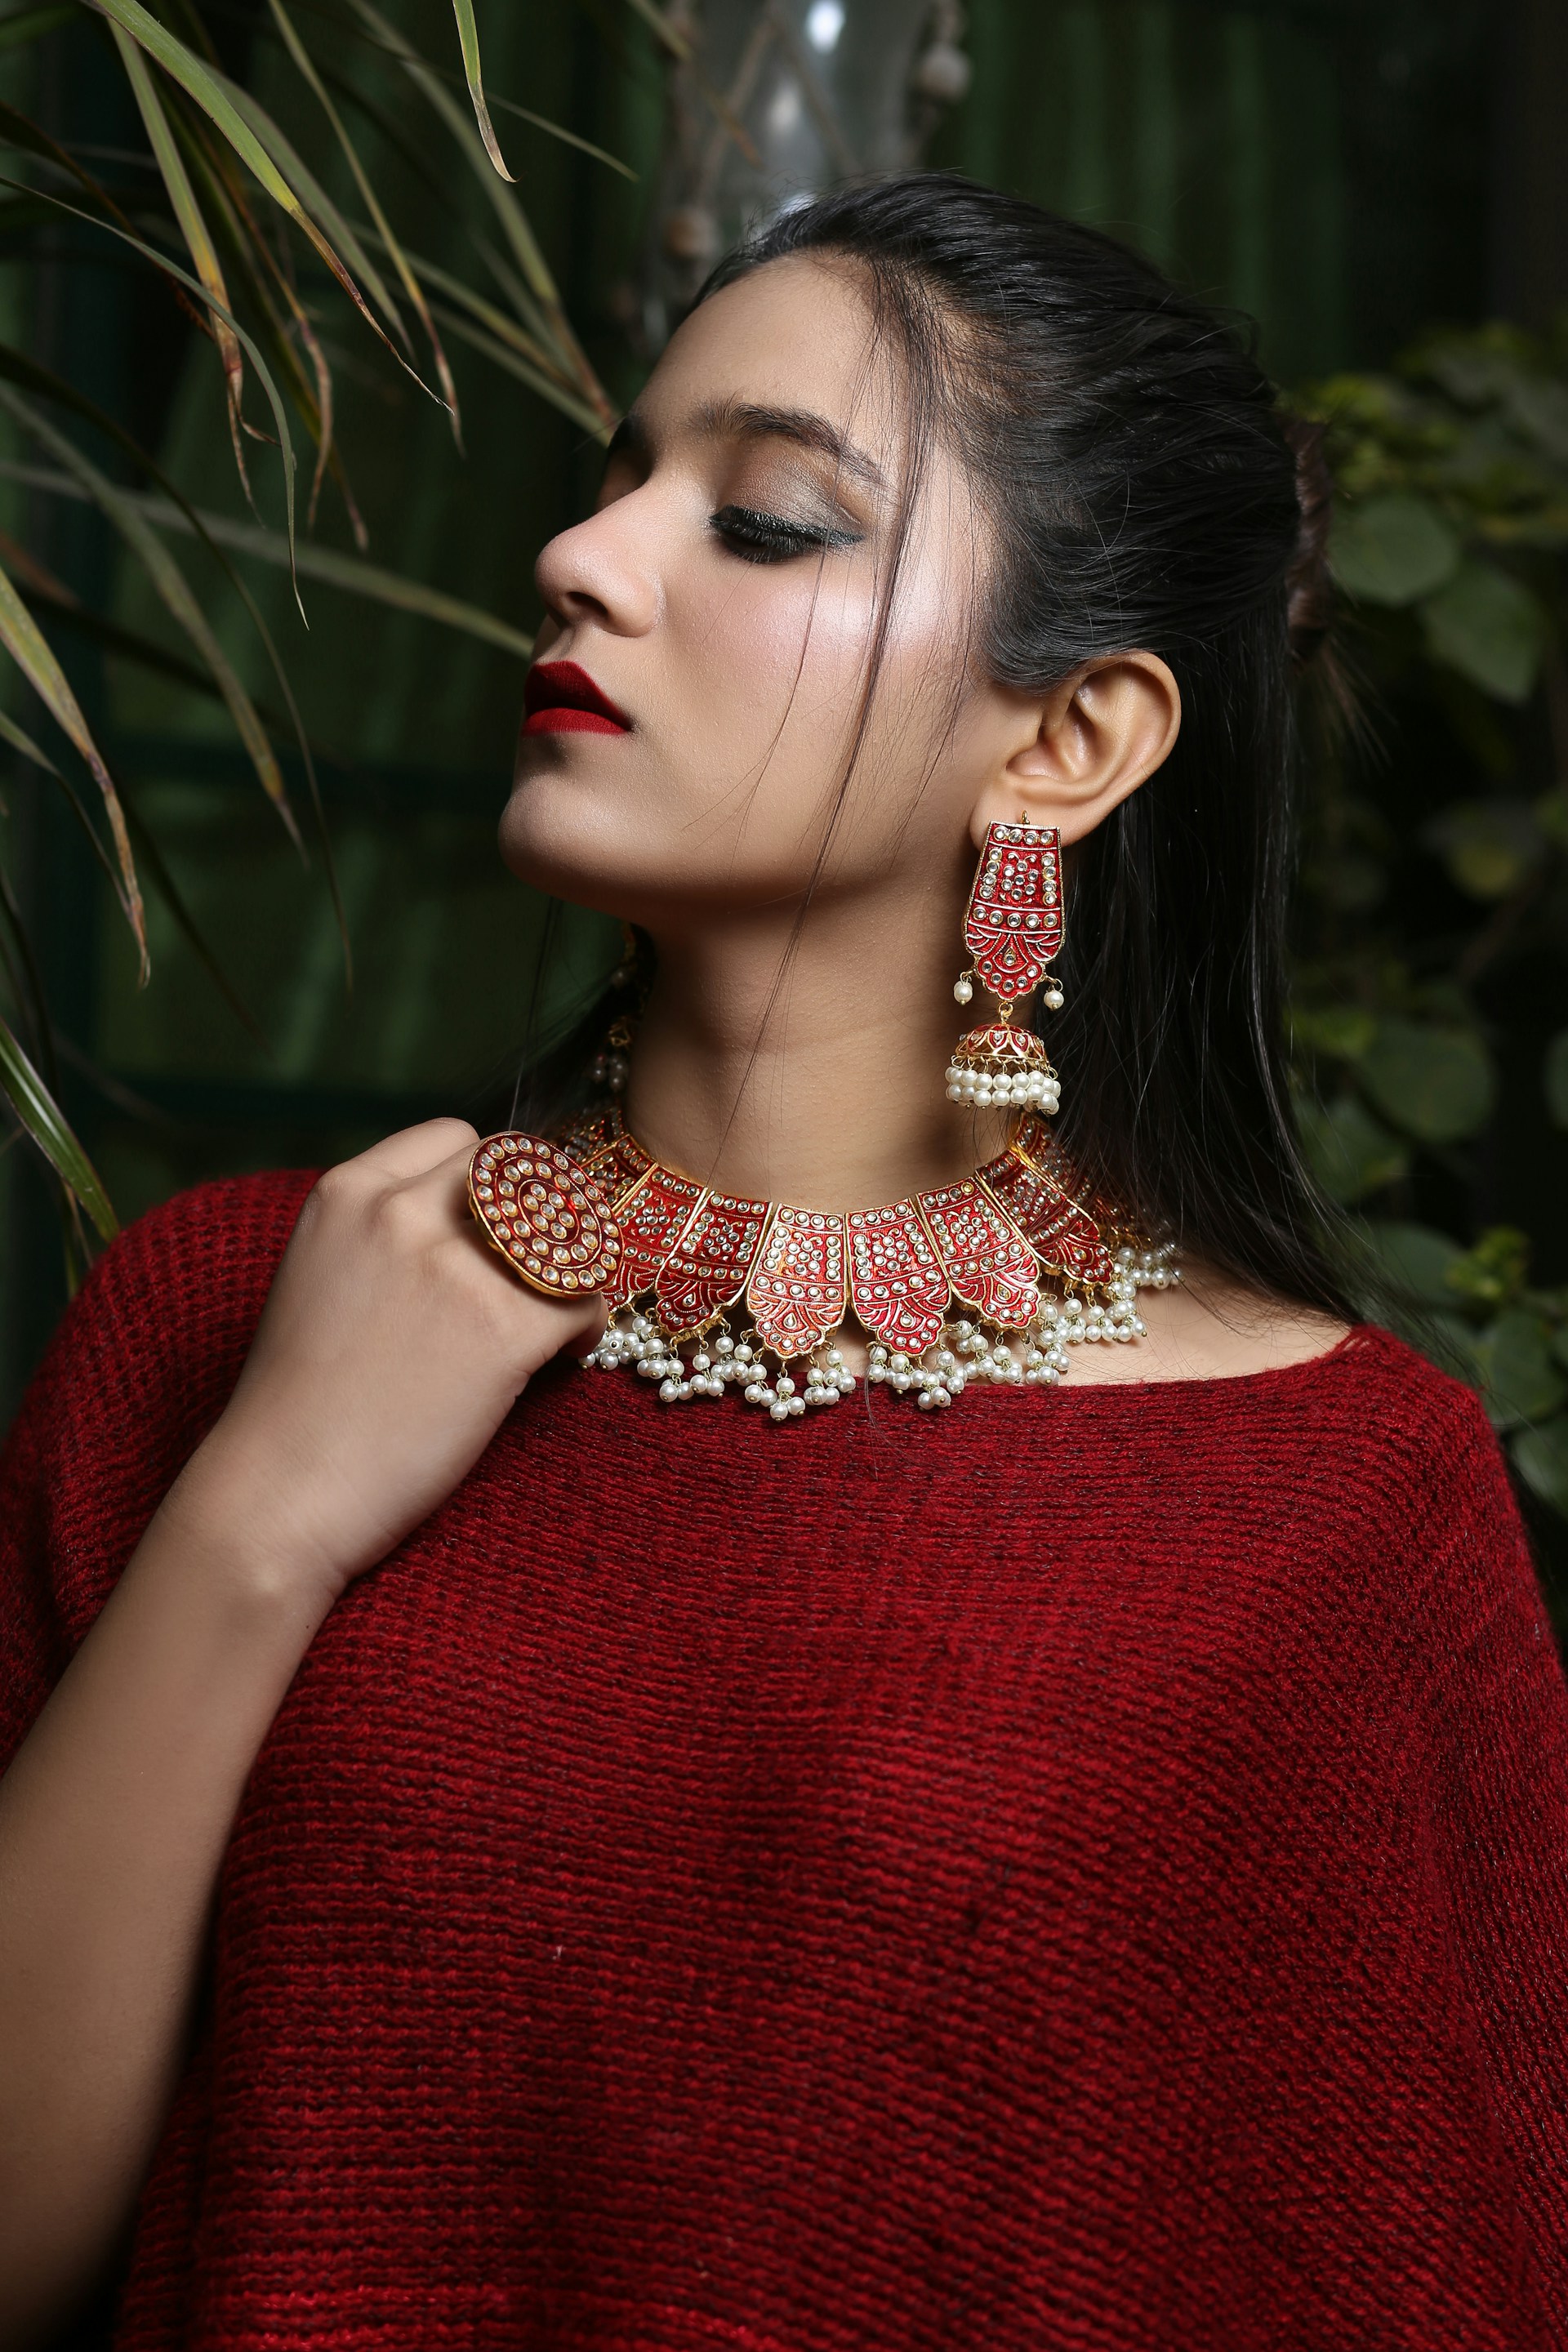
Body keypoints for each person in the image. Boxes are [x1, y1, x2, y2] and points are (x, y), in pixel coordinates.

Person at [2, 173, 1565, 2352]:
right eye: (618, 478)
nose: (577, 556)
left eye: (763, 521)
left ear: (1068, 740)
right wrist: (267, 1515)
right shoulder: (233, 1312)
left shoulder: (1340, 1509)